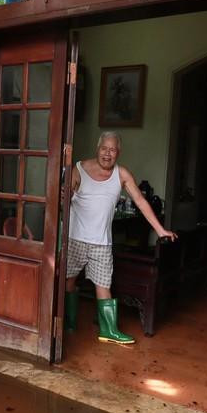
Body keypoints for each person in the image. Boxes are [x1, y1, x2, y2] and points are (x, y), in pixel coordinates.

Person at [65, 132, 177, 345]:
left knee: (103, 284)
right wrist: (65, 190)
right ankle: (69, 322)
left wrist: (161, 230)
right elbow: (64, 198)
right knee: (68, 281)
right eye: (104, 148)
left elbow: (141, 202)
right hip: (75, 238)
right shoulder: (79, 169)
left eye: (112, 149)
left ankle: (108, 330)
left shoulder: (122, 174)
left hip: (102, 242)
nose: (107, 153)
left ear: (118, 152)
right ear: (97, 149)